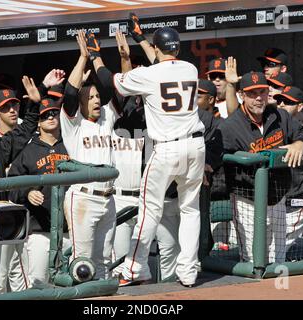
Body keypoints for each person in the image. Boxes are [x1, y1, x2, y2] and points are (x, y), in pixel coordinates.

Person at [88, 27, 206, 287]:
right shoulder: (190, 69)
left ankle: (134, 268)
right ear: (177, 47)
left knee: (149, 211)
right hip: (196, 146)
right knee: (190, 209)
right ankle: (187, 271)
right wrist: (140, 38)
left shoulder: (148, 75)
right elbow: (162, 62)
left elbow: (110, 81)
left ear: (157, 47)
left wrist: (95, 56)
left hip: (166, 148)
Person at [219, 72, 303, 263]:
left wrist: (300, 143)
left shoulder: (279, 115)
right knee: (252, 260)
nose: (258, 97)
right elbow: (218, 161)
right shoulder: (230, 127)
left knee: (277, 260)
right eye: (252, 93)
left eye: (262, 92)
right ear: (241, 95)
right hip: (248, 201)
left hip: (278, 198)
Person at [60, 30, 118, 280]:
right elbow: (70, 93)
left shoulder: (106, 117)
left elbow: (115, 90)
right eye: (90, 97)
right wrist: (83, 57)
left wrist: (98, 58)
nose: (95, 100)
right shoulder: (73, 123)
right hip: (83, 198)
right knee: (82, 264)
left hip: (108, 198)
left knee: (104, 260)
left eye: (96, 96)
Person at [8, 98, 71, 287]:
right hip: (39, 231)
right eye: (45, 115)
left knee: (71, 284)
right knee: (38, 283)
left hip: (69, 230)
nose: (51, 117)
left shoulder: (70, 143)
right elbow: (12, 186)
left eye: (54, 113)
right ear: (38, 122)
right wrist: (27, 192)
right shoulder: (28, 150)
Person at [274, 86, 303, 250]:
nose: (281, 104)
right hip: (276, 205)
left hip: (296, 205)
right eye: (279, 100)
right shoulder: (273, 126)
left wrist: (301, 143)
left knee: (272, 254)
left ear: (300, 106)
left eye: (287, 102)